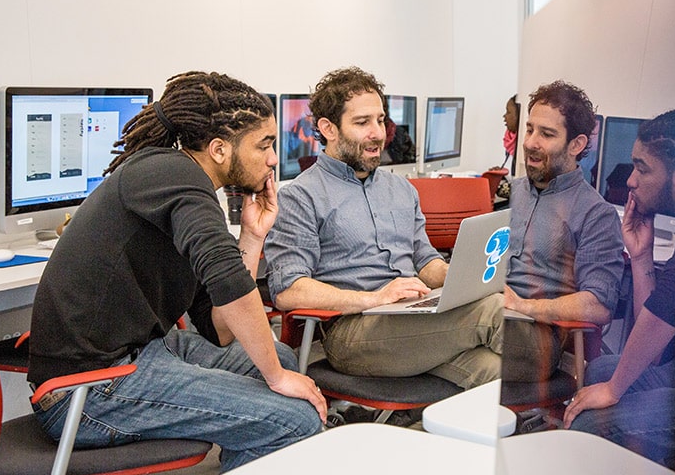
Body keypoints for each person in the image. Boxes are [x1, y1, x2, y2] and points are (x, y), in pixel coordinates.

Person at [28, 71, 326, 473]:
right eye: (265, 145)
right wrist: (274, 380)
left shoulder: (182, 184)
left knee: (283, 358)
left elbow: (220, 329)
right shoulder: (175, 175)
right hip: (88, 389)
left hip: (141, 353)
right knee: (294, 417)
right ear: (220, 148)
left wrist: (254, 238)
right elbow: (226, 278)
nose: (274, 158)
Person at [265, 67, 502, 390]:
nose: (378, 133)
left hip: (413, 319)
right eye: (363, 123)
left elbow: (425, 260)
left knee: (498, 370)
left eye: (380, 120)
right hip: (354, 332)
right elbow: (289, 291)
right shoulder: (300, 195)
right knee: (494, 312)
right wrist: (373, 298)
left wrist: (461, 278)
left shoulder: (401, 189)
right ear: (328, 129)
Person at [562, 106, 675, 473]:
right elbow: (660, 345)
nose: (630, 180)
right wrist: (641, 254)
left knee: (590, 424)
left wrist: (615, 390)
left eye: (642, 168)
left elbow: (664, 315)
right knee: (601, 369)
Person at [502, 81, 624, 382]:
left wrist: (523, 306)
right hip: (488, 316)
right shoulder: (508, 193)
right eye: (529, 129)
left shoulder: (596, 214)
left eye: (546, 134)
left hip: (535, 338)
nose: (530, 142)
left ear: (577, 145)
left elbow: (598, 306)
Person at [500, 94, 520, 172]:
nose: (504, 116)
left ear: (519, 115)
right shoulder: (510, 140)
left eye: (508, 112)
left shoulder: (525, 145)